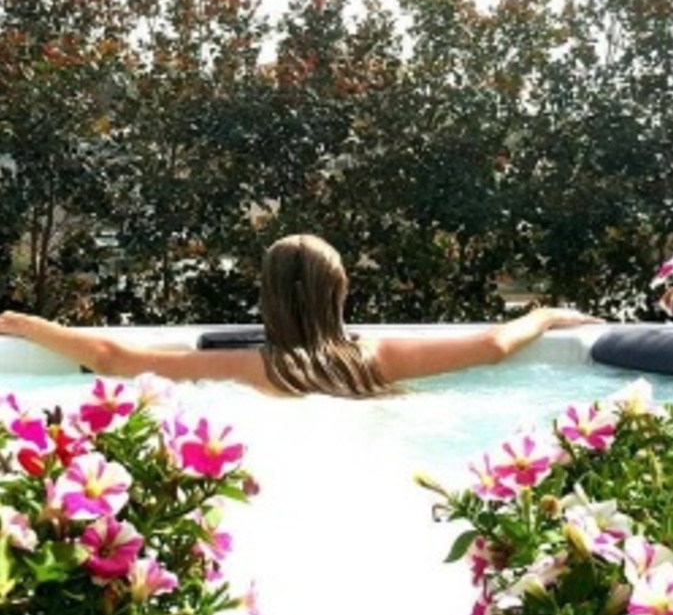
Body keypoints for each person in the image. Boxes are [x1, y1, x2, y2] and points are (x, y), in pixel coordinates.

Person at [0, 233, 601, 397]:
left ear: (266, 298)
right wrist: (545, 313)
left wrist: (27, 325)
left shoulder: (240, 369)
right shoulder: (378, 359)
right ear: (339, 292)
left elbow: (109, 357)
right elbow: (494, 347)